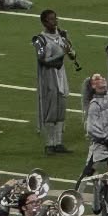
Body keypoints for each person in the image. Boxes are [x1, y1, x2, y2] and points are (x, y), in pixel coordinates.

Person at [33, 9, 75, 154]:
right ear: (44, 22)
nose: (55, 22)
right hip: (48, 77)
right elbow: (43, 60)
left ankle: (59, 142)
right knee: (51, 109)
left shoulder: (61, 36)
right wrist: (61, 54)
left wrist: (68, 46)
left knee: (61, 110)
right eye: (51, 19)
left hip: (61, 75)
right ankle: (49, 143)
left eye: (55, 19)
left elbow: (73, 55)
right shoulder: (40, 39)